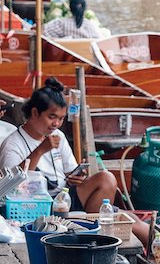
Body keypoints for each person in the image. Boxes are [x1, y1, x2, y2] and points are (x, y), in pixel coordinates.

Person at [0, 76, 118, 211]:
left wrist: (78, 176)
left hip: (63, 199)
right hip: (31, 206)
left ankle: (92, 226)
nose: (56, 124)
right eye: (52, 117)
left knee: (107, 179)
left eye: (61, 119)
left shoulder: (58, 136)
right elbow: (11, 188)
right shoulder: (12, 144)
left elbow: (70, 172)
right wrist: (40, 151)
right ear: (34, 112)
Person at [44, 0, 109, 41]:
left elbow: (44, 31)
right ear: (85, 9)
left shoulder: (61, 23)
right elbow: (99, 39)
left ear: (70, 9)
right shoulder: (91, 25)